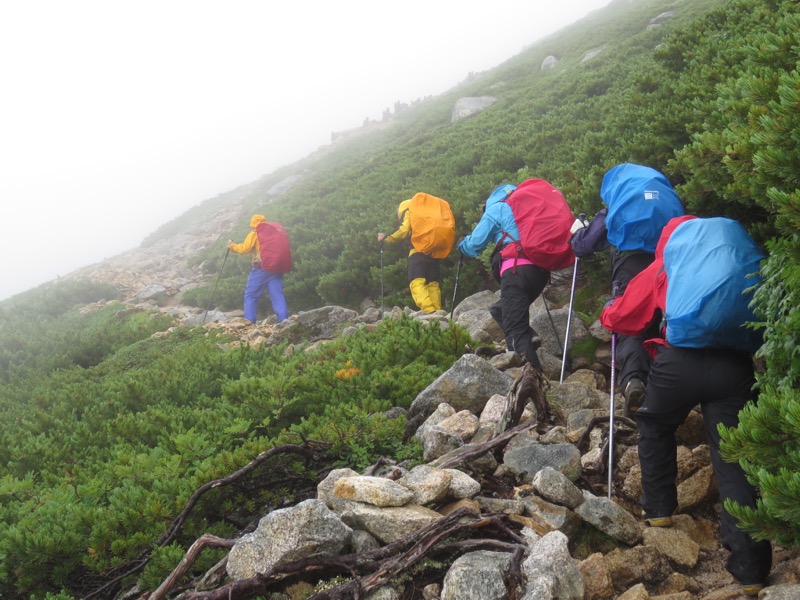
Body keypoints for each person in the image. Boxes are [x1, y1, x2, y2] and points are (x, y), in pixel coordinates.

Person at [601, 216, 772, 597]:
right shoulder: (739, 255)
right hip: (734, 368)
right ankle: (751, 570)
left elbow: (625, 314)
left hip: (678, 363)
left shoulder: (669, 258)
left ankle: (659, 510)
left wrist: (608, 311)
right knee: (733, 460)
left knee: (655, 425)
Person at [570, 163, 684, 415]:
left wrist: (577, 231)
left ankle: (634, 381)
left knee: (631, 323)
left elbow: (582, 247)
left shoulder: (614, 210)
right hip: (666, 265)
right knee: (663, 324)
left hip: (629, 268)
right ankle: (668, 391)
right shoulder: (667, 202)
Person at [457, 183, 548, 370]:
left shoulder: (497, 208)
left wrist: (462, 244)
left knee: (515, 329)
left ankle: (533, 384)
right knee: (500, 310)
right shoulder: (529, 207)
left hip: (516, 270)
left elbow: (475, 244)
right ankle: (530, 336)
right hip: (540, 271)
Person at [378, 198, 443, 313]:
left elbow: (404, 229)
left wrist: (386, 238)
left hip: (417, 252)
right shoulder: (428, 213)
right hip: (434, 252)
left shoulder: (409, 211)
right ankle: (438, 311)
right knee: (432, 283)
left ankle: (429, 310)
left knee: (416, 282)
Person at [228, 214, 289, 323]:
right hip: (276, 267)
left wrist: (232, 246)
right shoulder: (272, 232)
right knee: (277, 295)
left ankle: (249, 322)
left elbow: (244, 249)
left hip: (261, 268)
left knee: (251, 295)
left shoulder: (255, 233)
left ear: (252, 224)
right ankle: (284, 321)